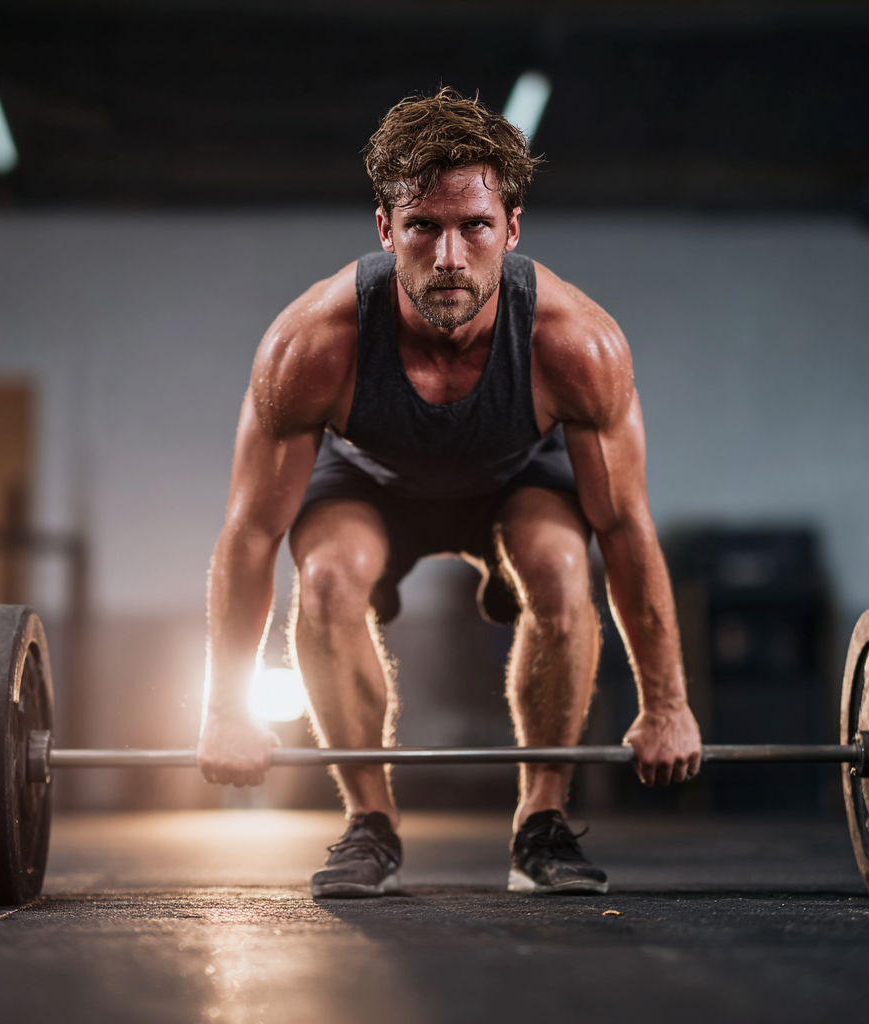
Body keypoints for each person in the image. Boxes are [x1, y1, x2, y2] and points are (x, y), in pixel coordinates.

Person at [197, 88, 702, 898]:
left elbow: (625, 526)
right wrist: (225, 704)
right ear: (386, 230)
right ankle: (370, 823)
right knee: (324, 579)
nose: (449, 257)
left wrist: (666, 702)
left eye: (473, 226)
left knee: (561, 564)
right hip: (371, 485)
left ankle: (541, 822)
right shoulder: (310, 347)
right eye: (424, 226)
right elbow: (252, 534)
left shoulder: (576, 344)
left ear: (510, 228)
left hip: (512, 482)